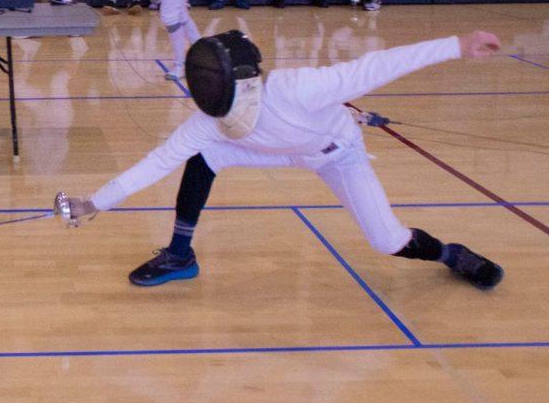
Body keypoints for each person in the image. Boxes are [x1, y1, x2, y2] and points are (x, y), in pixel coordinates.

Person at [54, 29, 505, 291]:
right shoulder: (209, 122)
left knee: (387, 241)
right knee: (203, 156)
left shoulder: (296, 88)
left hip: (336, 156)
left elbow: (376, 65)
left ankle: (451, 254)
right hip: (274, 150)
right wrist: (96, 202)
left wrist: (455, 45)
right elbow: (156, 162)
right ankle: (179, 255)